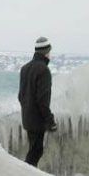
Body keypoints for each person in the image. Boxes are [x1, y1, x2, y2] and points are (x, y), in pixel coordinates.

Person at [18, 36, 58, 167]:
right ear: (46, 52)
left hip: (27, 118)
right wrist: (50, 121)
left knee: (34, 150)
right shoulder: (44, 71)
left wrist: (27, 110)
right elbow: (43, 101)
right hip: (37, 121)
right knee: (35, 153)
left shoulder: (25, 68)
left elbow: (20, 96)